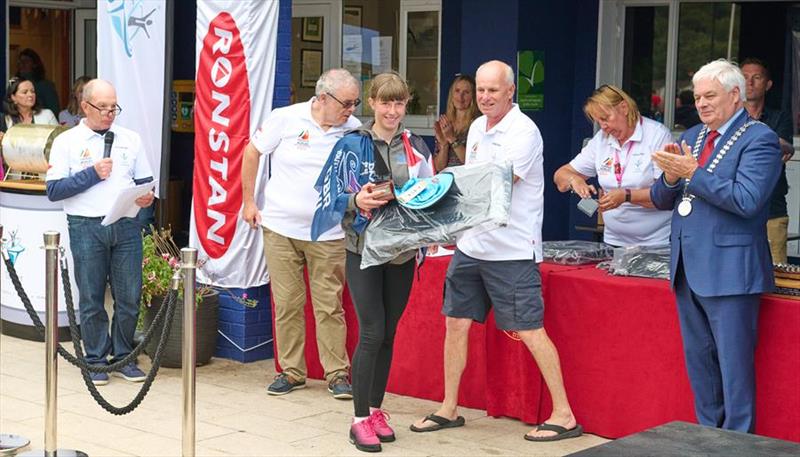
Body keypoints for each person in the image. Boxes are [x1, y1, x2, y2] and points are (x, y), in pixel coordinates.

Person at [411, 60, 582, 442]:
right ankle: (449, 407)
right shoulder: (474, 127)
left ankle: (564, 414)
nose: (484, 97)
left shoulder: (524, 132)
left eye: (492, 91)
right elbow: (469, 183)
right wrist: (447, 225)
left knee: (530, 329)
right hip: (472, 246)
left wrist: (440, 195)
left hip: (511, 250)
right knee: (455, 324)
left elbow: (496, 187)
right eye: (481, 90)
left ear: (510, 92)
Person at [651, 59, 782, 432]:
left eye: (710, 96)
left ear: (735, 95)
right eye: (697, 97)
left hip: (730, 271)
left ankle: (737, 445)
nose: (702, 104)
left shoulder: (760, 138)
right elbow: (662, 198)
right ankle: (708, 439)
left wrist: (694, 173)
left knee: (734, 367)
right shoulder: (691, 136)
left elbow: (747, 200)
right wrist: (670, 174)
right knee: (700, 364)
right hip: (687, 267)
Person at [312, 71, 434, 453]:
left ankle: (377, 410)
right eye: (385, 102)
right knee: (370, 332)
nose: (393, 110)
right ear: (373, 103)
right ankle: (359, 419)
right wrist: (356, 201)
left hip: (401, 252)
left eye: (399, 103)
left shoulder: (417, 147)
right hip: (363, 250)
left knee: (388, 335)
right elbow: (327, 197)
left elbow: (431, 193)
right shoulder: (351, 144)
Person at [241, 69, 361, 399]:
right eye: (347, 103)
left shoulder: (353, 130)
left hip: (330, 233)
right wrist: (249, 201)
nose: (351, 109)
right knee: (288, 303)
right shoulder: (285, 119)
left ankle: (337, 373)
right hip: (280, 229)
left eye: (355, 102)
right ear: (323, 98)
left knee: (329, 305)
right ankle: (291, 372)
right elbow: (252, 152)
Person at [45, 79, 155, 385]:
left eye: (113, 108)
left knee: (129, 296)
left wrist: (146, 197)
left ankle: (124, 357)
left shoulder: (130, 139)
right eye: (103, 107)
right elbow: (54, 190)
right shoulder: (67, 141)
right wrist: (91, 175)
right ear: (85, 106)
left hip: (126, 224)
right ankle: (94, 359)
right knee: (92, 296)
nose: (109, 114)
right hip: (85, 226)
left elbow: (146, 180)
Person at [553, 84, 673, 247]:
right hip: (613, 241)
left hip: (656, 242)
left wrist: (626, 196)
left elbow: (666, 195)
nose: (603, 126)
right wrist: (575, 180)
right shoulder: (601, 139)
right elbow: (561, 176)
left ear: (623, 107)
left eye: (605, 118)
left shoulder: (657, 135)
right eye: (598, 121)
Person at [741, 58, 795, 264]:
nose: (750, 83)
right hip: (735, 213)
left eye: (757, 77)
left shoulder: (780, 117)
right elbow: (776, 144)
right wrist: (771, 141)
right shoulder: (727, 117)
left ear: (768, 84)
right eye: (745, 77)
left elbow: (784, 146)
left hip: (773, 209)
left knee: (777, 277)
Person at [432, 74, 479, 171]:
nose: (460, 96)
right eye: (457, 91)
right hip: (446, 181)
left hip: (466, 182)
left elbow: (472, 162)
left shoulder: (478, 124)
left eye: (466, 92)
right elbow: (438, 167)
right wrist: (444, 145)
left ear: (473, 96)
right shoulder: (445, 123)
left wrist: (452, 138)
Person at [16, 48, 60, 116]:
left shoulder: (45, 86)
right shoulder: (15, 84)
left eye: (26, 61)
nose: (22, 64)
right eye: (20, 62)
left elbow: (54, 111)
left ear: (35, 64)